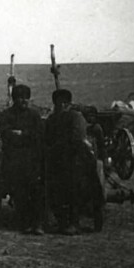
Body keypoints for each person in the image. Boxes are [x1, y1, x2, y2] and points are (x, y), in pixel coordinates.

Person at [0, 84, 45, 234]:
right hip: (13, 159)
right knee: (19, 191)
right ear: (14, 100)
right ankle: (24, 222)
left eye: (26, 98)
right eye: (19, 98)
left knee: (37, 190)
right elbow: (5, 134)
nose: (23, 101)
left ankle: (38, 224)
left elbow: (39, 135)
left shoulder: (34, 115)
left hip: (32, 159)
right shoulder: (7, 115)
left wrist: (20, 134)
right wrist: (25, 135)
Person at [43, 89, 90, 235]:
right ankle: (61, 222)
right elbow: (46, 137)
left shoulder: (76, 117)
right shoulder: (51, 119)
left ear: (67, 103)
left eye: (62, 103)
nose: (59, 106)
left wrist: (58, 147)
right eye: (57, 103)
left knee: (74, 190)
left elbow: (77, 138)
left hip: (74, 159)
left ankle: (74, 223)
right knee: (55, 191)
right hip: (56, 160)